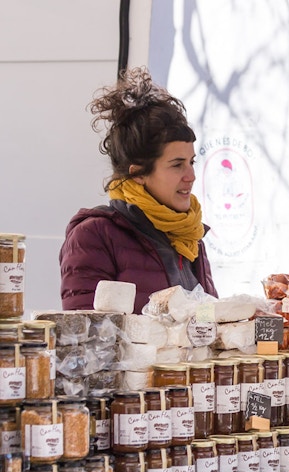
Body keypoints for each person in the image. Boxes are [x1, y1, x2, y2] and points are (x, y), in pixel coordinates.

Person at [60, 67, 216, 313]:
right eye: (177, 165)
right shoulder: (94, 236)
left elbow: (206, 321)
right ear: (138, 174)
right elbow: (85, 332)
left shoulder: (189, 234)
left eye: (191, 162)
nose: (191, 176)